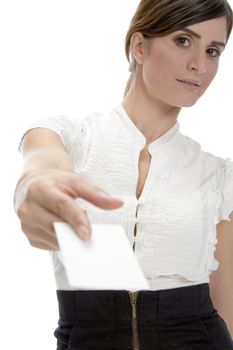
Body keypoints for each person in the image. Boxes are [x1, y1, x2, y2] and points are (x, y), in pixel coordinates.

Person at [14, 0, 233, 349]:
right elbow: (41, 165)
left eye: (212, 50)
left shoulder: (218, 175)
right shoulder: (70, 137)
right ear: (139, 46)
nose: (199, 65)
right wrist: (34, 187)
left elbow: (226, 308)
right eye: (182, 41)